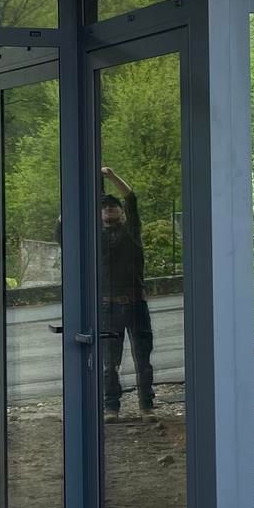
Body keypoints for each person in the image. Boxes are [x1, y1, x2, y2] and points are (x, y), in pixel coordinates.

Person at [99, 163, 155, 419]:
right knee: (109, 362)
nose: (109, 208)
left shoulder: (131, 232)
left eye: (113, 206)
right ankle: (111, 407)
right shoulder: (94, 237)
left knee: (142, 359)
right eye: (104, 207)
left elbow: (130, 197)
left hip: (135, 304)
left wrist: (111, 177)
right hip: (108, 306)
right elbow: (61, 233)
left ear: (121, 214)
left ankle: (146, 406)